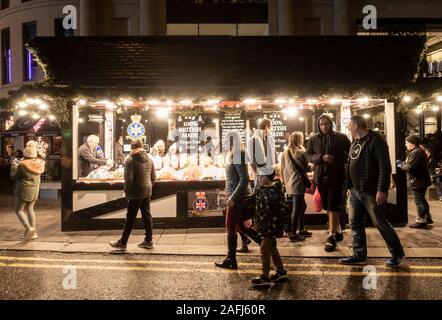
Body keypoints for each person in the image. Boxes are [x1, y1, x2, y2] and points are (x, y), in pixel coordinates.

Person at [340, 115, 405, 267]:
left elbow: (385, 166)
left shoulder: (375, 141)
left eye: (349, 124)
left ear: (356, 125)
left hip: (370, 191)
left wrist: (381, 190)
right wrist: (350, 187)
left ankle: (397, 253)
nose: (348, 127)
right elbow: (351, 165)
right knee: (355, 223)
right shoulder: (355, 142)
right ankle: (359, 254)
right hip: (356, 191)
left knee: (381, 223)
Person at [215, 133, 261, 269]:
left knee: (230, 226)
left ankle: (231, 259)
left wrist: (232, 197)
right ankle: (263, 243)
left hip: (238, 199)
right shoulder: (232, 155)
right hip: (235, 196)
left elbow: (244, 179)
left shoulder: (238, 155)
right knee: (240, 226)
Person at [306, 114, 351, 252]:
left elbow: (350, 154)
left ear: (331, 124)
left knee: (333, 206)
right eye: (321, 124)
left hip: (336, 177)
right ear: (318, 125)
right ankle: (337, 229)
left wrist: (344, 166)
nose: (324, 126)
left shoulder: (341, 137)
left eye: (326, 124)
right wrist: (321, 157)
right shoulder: (313, 139)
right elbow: (308, 155)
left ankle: (331, 236)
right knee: (327, 206)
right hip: (321, 177)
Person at [109, 139, 156, 251]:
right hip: (146, 191)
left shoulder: (129, 159)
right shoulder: (149, 159)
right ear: (142, 147)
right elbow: (154, 177)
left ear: (131, 148)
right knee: (147, 216)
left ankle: (123, 242)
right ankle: (148, 241)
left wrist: (126, 191)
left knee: (130, 218)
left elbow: (128, 180)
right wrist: (148, 186)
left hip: (135, 193)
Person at [249, 169, 289, 286]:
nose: (260, 178)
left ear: (268, 177)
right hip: (264, 225)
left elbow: (284, 209)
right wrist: (240, 201)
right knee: (272, 249)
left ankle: (265, 276)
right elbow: (252, 200)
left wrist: (288, 227)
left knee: (264, 249)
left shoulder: (276, 192)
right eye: (259, 176)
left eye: (262, 176)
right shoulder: (259, 189)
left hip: (273, 226)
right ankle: (280, 271)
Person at [10, 141, 45, 241]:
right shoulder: (40, 164)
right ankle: (32, 233)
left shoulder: (22, 165)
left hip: (23, 190)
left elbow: (13, 176)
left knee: (18, 210)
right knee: (30, 209)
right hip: (34, 190)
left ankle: (28, 228)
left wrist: (13, 166)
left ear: (25, 154)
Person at [280, 131, 312, 241]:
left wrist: (284, 182)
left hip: (289, 183)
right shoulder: (301, 151)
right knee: (297, 207)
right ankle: (293, 233)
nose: (303, 140)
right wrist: (313, 166)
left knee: (302, 206)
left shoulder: (284, 153)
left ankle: (301, 229)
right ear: (299, 140)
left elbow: (282, 170)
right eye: (302, 138)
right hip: (298, 183)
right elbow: (305, 168)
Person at [397, 135, 432, 229]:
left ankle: (421, 221)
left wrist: (401, 165)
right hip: (421, 180)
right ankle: (427, 217)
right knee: (422, 199)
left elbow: (410, 167)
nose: (405, 144)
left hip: (417, 181)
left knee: (418, 201)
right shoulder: (418, 151)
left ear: (412, 144)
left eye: (407, 143)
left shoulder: (416, 153)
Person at [247, 118, 275, 189]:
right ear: (266, 127)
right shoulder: (253, 140)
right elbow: (251, 160)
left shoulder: (268, 140)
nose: (271, 130)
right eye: (271, 128)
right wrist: (258, 175)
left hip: (269, 175)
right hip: (261, 176)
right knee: (260, 195)